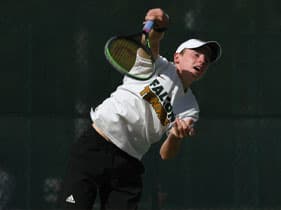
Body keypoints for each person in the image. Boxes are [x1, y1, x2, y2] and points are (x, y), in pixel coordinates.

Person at [60, 8, 221, 210]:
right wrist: (157, 22)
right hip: (96, 145)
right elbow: (151, 41)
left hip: (128, 165)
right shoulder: (157, 65)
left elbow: (166, 154)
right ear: (177, 57)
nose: (202, 61)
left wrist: (175, 137)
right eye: (196, 54)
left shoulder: (190, 107)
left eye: (206, 60)